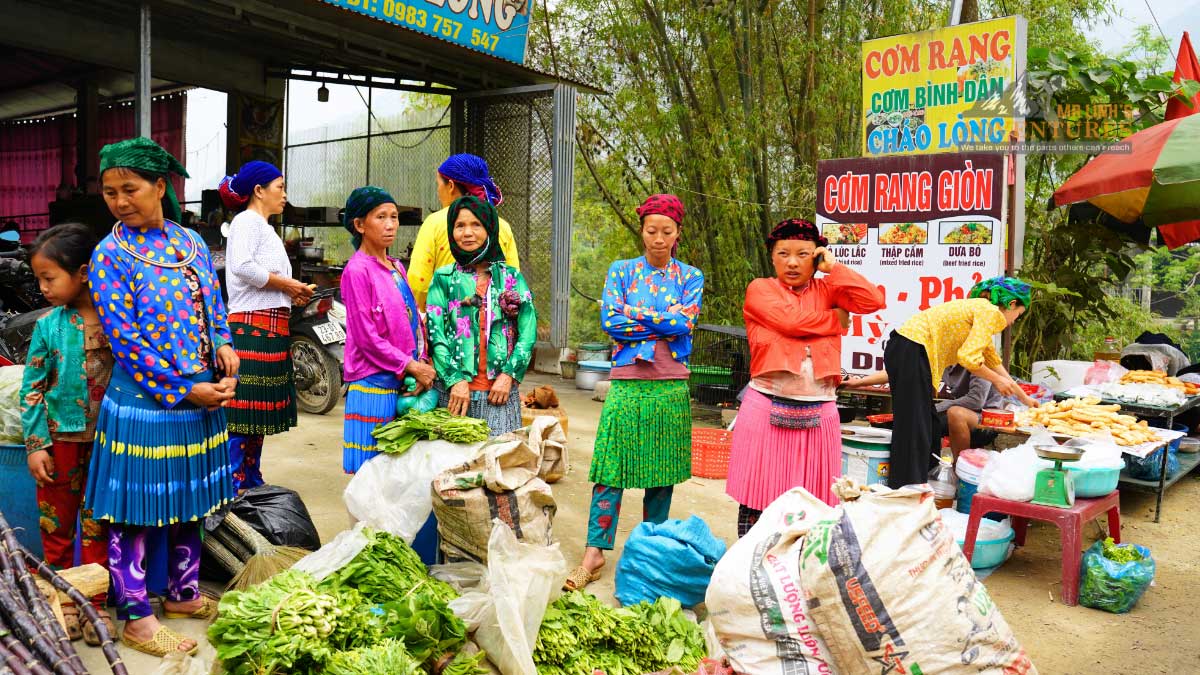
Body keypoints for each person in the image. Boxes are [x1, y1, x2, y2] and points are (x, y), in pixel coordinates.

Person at [86, 137, 237, 657]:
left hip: (200, 398)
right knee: (136, 510)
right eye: (110, 192)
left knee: (189, 501)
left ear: (158, 186)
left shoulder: (190, 242)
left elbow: (213, 305)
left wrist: (225, 348)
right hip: (145, 407)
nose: (120, 201)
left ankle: (182, 593)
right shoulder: (110, 255)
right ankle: (135, 616)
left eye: (130, 189)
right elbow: (126, 341)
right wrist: (185, 389)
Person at [565, 194, 703, 592]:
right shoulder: (621, 271)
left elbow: (684, 324)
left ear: (678, 233)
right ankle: (594, 551)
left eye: (666, 231)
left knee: (662, 474)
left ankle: (648, 551)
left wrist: (634, 314)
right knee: (610, 470)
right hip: (626, 383)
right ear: (642, 231)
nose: (658, 239)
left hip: (670, 385)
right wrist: (661, 321)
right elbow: (611, 321)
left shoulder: (690, 276)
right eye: (651, 230)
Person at [725, 218, 885, 537]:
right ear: (772, 257)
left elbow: (873, 301)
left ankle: (802, 563)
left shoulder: (830, 289)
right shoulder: (760, 289)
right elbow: (790, 322)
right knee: (759, 497)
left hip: (820, 409)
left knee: (815, 501)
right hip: (766, 405)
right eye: (783, 253)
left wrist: (834, 268)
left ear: (816, 257)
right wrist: (836, 320)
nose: (793, 262)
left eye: (803, 254)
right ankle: (754, 560)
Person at [19, 223, 112, 646]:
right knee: (56, 527)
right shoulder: (48, 326)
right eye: (39, 278)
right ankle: (63, 601)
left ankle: (94, 604)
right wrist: (36, 445)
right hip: (60, 444)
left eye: (49, 277)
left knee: (99, 526)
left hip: (109, 444)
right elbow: (32, 390)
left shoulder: (116, 322)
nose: (43, 288)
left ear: (84, 272)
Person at [885, 276, 1038, 488]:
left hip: (908, 349)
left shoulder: (980, 311)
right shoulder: (990, 312)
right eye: (1017, 315)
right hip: (912, 348)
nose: (1012, 322)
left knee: (929, 425)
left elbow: (994, 362)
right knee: (914, 427)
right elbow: (968, 358)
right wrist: (996, 381)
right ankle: (906, 489)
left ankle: (925, 482)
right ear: (1012, 304)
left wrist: (1025, 399)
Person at [219, 161, 313, 492]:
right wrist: (288, 285)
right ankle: (232, 482)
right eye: (280, 187)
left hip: (269, 328)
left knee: (256, 415)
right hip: (251, 329)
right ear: (259, 191)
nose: (284, 195)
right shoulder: (246, 222)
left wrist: (291, 294)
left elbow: (263, 280)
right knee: (243, 413)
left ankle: (251, 478)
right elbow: (243, 267)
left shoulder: (265, 228)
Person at [340, 186, 436, 474]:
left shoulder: (395, 267)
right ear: (360, 225)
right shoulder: (357, 271)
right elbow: (366, 338)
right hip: (373, 384)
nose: (391, 224)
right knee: (371, 472)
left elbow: (412, 321)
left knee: (396, 473)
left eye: (394, 217)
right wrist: (411, 366)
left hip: (402, 380)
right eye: (381, 217)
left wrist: (421, 361)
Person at [426, 195, 536, 435]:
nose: (467, 233)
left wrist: (509, 375)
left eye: (476, 224)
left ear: (489, 228)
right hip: (454, 395)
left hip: (500, 395)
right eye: (459, 225)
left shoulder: (511, 278)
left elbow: (528, 332)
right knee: (454, 459)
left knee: (499, 457)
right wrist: (454, 379)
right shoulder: (443, 279)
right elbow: (435, 334)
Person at [408, 154, 520, 309]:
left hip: (446, 317)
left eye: (438, 184)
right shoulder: (502, 226)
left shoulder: (434, 223)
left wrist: (427, 312)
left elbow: (418, 283)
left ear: (451, 186)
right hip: (492, 319)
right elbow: (513, 281)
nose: (438, 191)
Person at [845, 365, 1003, 458]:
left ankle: (959, 472)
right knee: (919, 417)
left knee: (950, 414)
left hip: (989, 419)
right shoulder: (944, 357)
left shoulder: (978, 357)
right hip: (960, 413)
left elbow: (976, 400)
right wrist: (859, 382)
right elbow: (901, 369)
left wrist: (937, 408)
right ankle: (927, 469)